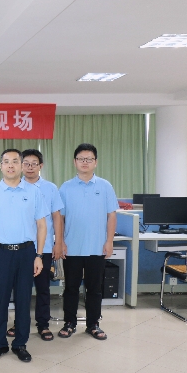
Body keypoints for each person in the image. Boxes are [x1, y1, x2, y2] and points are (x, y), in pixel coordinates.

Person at [0, 149, 48, 363]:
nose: (11, 165)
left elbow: (42, 225)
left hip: (26, 253)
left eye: (15, 161)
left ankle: (20, 344)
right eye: (6, 161)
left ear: (21, 166)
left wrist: (39, 255)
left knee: (23, 300)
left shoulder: (34, 192)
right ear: (0, 166)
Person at [58, 143, 118, 341]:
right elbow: (60, 218)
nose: (85, 162)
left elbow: (111, 216)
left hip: (96, 247)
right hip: (72, 247)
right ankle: (69, 322)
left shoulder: (105, 186)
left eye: (89, 159)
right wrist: (61, 242)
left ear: (95, 162)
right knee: (71, 288)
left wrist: (109, 241)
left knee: (94, 289)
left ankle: (93, 324)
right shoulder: (65, 187)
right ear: (74, 162)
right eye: (81, 159)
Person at [4, 149, 63, 341]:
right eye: (26, 163)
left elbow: (56, 217)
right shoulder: (13, 187)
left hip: (43, 248)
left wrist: (58, 242)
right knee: (20, 289)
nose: (30, 167)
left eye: (34, 164)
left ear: (41, 166)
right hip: (20, 248)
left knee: (43, 287)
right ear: (21, 166)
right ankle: (19, 323)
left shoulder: (50, 188)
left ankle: (43, 324)